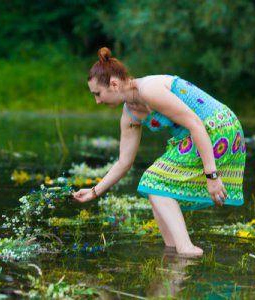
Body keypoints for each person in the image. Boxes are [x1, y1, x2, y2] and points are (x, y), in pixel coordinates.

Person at [73, 47, 246, 257]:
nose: (97, 101)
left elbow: (195, 124)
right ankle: (173, 252)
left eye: (97, 94)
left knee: (153, 181)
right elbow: (123, 162)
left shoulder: (150, 89)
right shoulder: (130, 115)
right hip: (199, 135)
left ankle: (187, 249)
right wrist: (94, 191)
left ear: (114, 84)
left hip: (219, 128)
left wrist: (212, 176)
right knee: (156, 192)